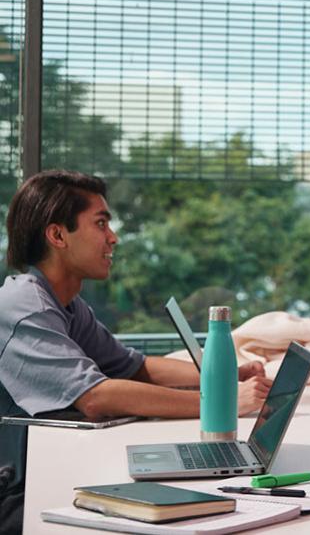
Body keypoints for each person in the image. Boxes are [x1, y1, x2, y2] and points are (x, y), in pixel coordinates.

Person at [0, 171, 272, 535]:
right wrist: (221, 403)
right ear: (57, 234)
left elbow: (135, 367)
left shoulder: (65, 304)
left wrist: (225, 376)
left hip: (39, 468)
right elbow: (96, 397)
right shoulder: (25, 306)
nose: (113, 237)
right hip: (15, 495)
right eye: (100, 224)